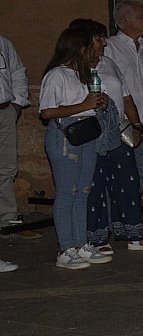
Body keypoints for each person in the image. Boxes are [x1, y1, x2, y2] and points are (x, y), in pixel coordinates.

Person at [72, 19, 143, 256]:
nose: (104, 43)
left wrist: (136, 125)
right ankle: (97, 238)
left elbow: (126, 97)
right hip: (91, 134)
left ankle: (134, 235)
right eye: (98, 39)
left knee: (128, 182)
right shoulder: (72, 69)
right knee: (95, 186)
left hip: (118, 132)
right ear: (84, 42)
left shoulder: (108, 63)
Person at [39, 26, 112, 270]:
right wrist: (84, 105)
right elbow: (47, 112)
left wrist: (99, 102)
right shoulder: (57, 75)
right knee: (66, 193)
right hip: (65, 135)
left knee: (83, 192)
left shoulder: (85, 74)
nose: (97, 50)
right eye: (92, 45)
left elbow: (88, 105)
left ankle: (81, 244)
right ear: (80, 48)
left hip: (87, 132)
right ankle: (65, 248)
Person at [105, 0, 143, 194]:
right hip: (122, 126)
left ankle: (133, 211)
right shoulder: (109, 48)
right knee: (121, 176)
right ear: (127, 19)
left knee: (141, 175)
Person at [0, 30, 30, 269]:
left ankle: (7, 221)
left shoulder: (3, 42)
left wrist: (17, 104)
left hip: (4, 111)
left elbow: (18, 71)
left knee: (7, 168)